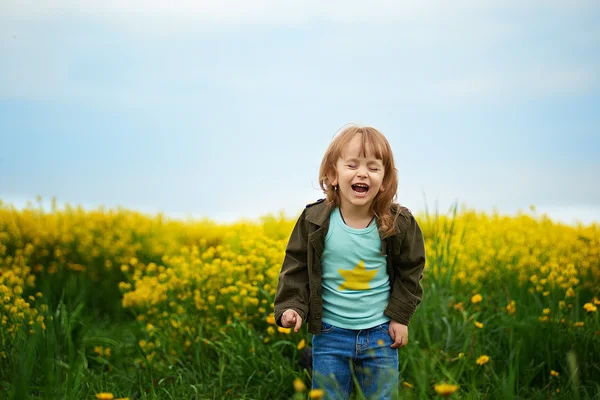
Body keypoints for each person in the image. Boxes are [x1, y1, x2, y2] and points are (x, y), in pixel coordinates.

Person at [274, 124, 426, 399]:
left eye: (373, 167)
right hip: (331, 334)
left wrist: (400, 318)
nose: (362, 173)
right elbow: (295, 267)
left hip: (381, 334)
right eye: (352, 164)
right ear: (333, 174)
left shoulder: (398, 223)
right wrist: (292, 306)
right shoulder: (315, 221)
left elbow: (411, 271)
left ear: (385, 179)